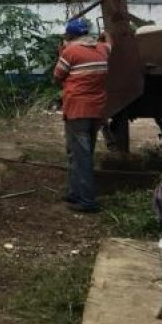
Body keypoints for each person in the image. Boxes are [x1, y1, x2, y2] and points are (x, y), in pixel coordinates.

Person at [53, 18, 112, 214]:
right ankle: (74, 193)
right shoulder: (102, 49)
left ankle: (87, 200)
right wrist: (105, 36)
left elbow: (57, 76)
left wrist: (61, 51)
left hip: (77, 108)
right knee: (79, 152)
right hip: (97, 109)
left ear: (70, 35)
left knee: (81, 155)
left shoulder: (71, 51)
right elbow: (109, 42)